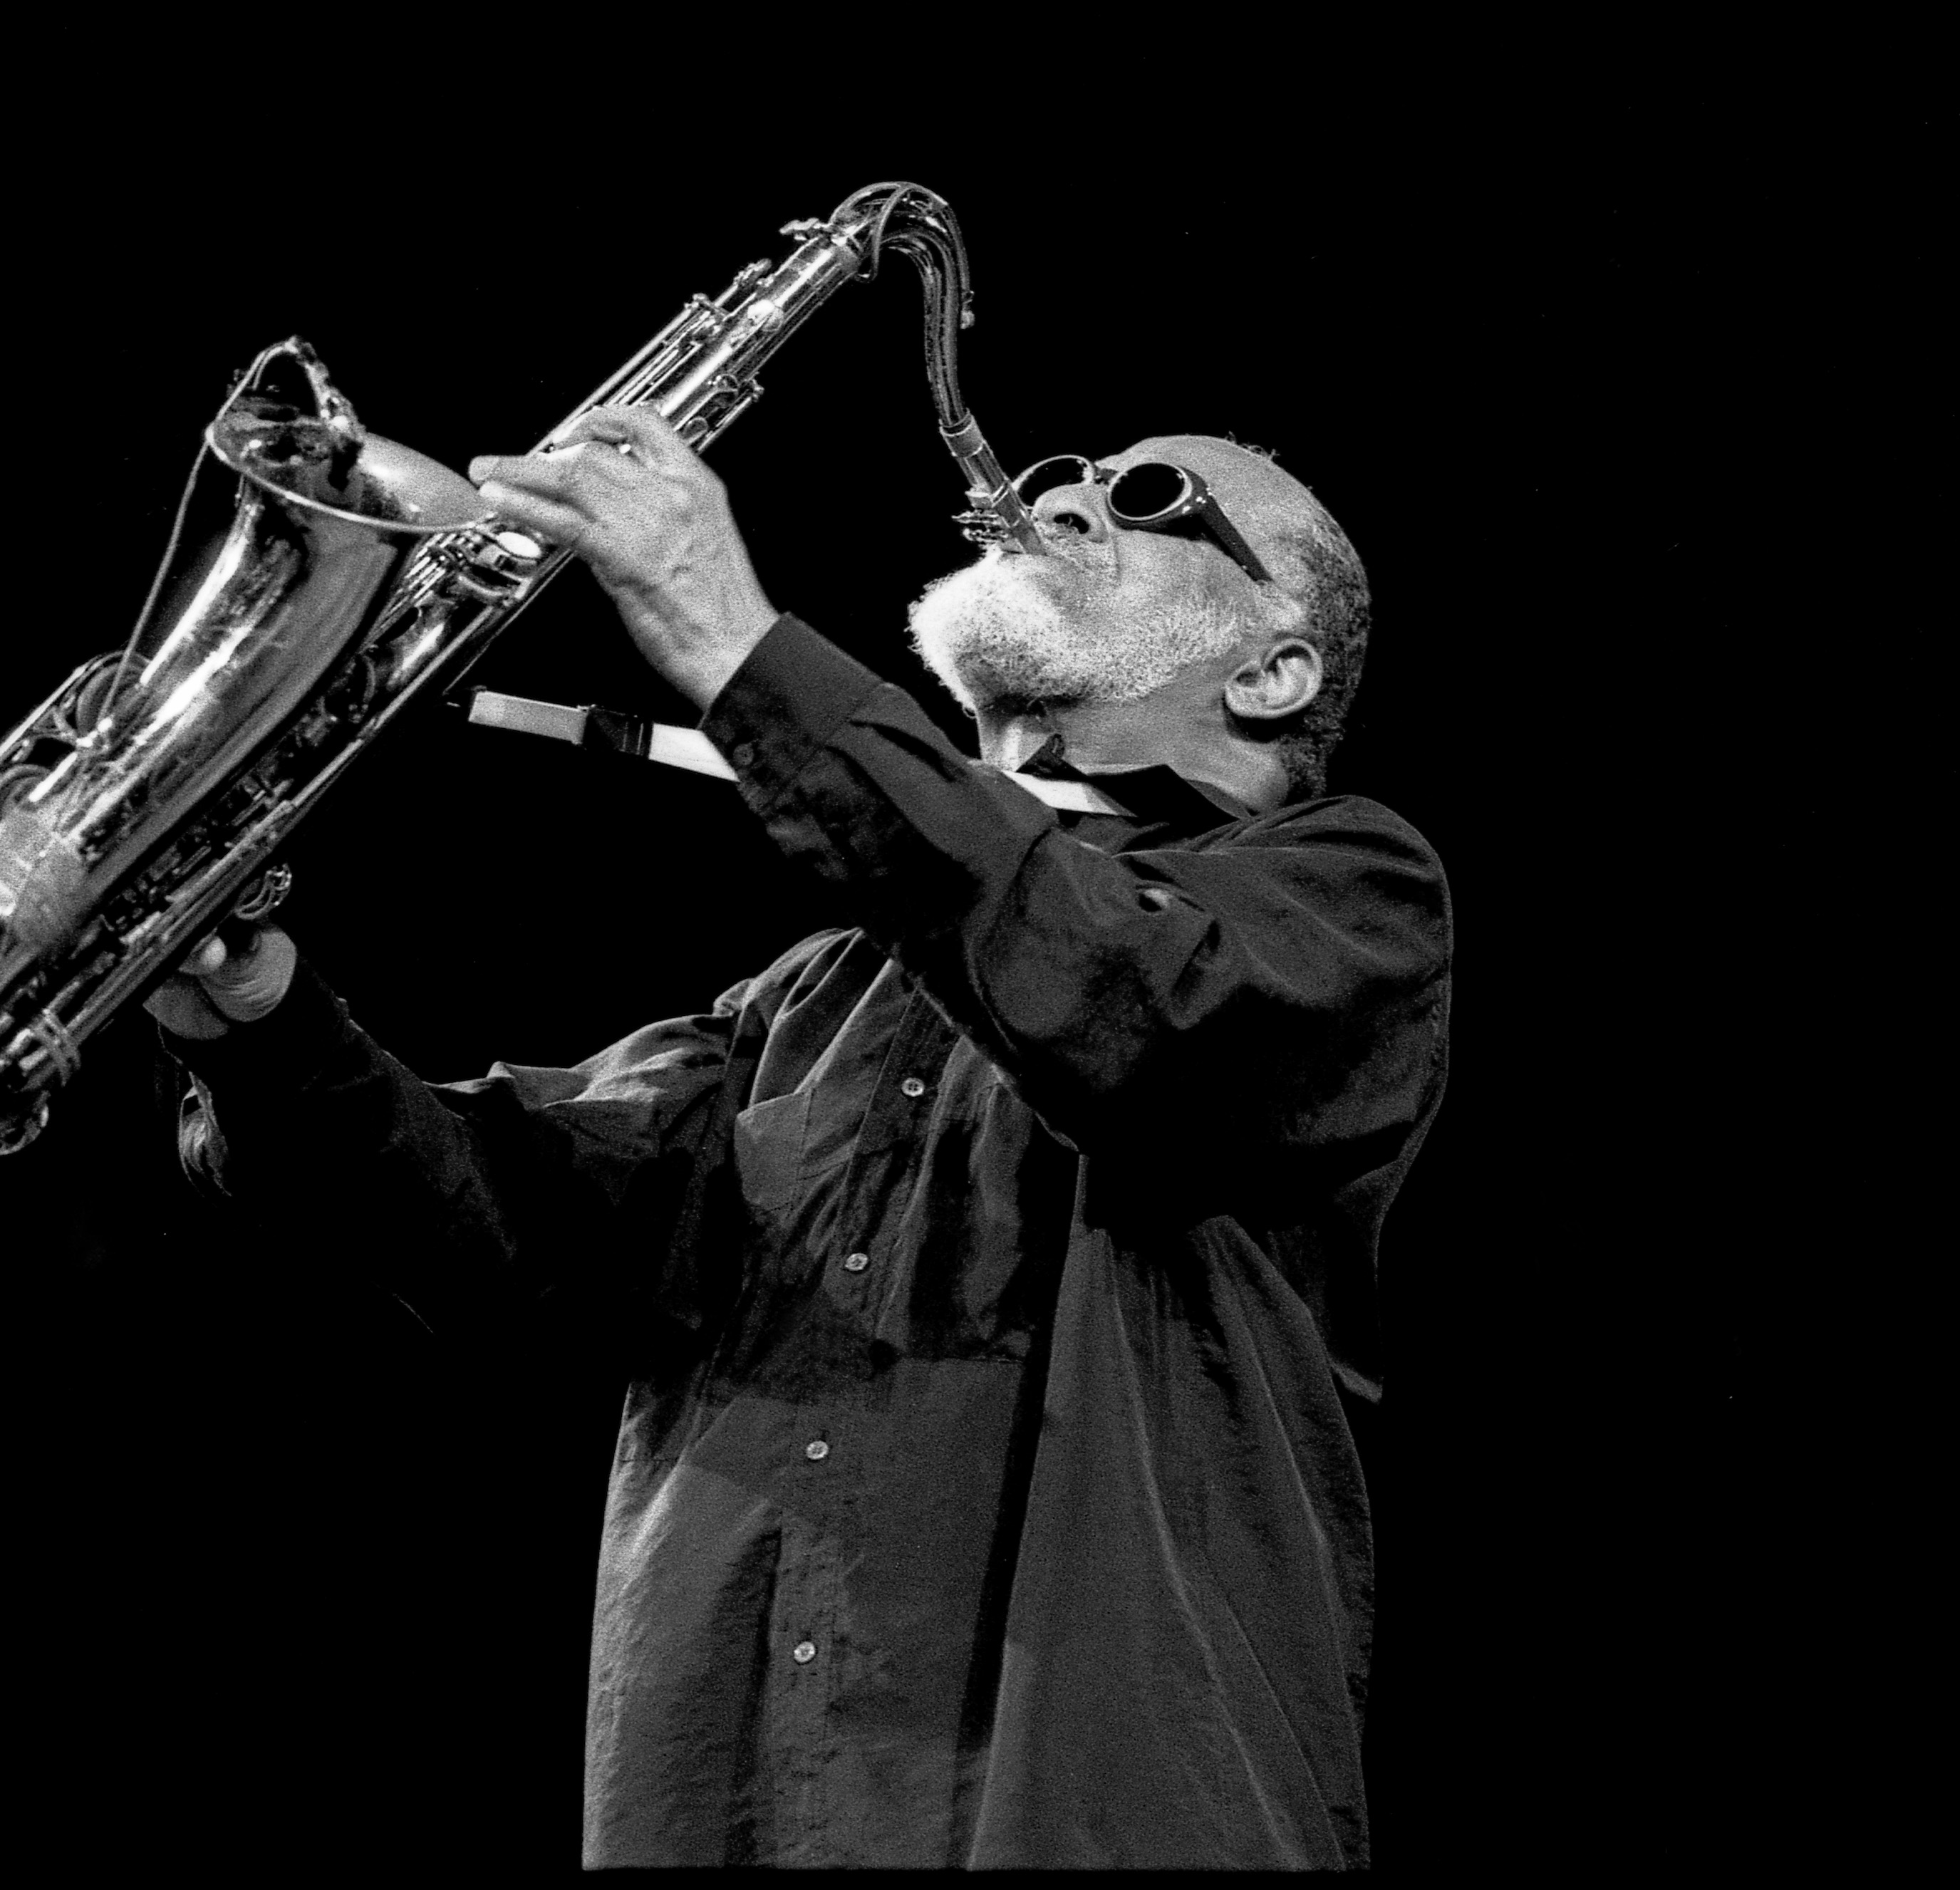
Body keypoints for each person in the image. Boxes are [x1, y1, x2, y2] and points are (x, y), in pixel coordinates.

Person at [142, 407, 1450, 1869]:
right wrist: (254, 1018)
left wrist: (733, 643)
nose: (1058, 492)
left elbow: (1128, 1007)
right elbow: (506, 1221)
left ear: (1273, 672)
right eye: (1055, 474)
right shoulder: (809, 998)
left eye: (1151, 498)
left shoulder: (1349, 893)